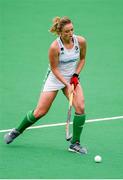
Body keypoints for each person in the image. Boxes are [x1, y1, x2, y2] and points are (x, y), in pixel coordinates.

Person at [4, 16, 87, 154]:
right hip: (55, 79)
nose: (71, 33)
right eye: (67, 31)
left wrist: (75, 76)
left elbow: (82, 59)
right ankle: (17, 131)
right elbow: (54, 69)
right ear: (60, 33)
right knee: (40, 112)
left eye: (72, 30)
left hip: (72, 78)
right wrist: (67, 83)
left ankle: (75, 144)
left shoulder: (81, 41)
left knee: (80, 107)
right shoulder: (55, 47)